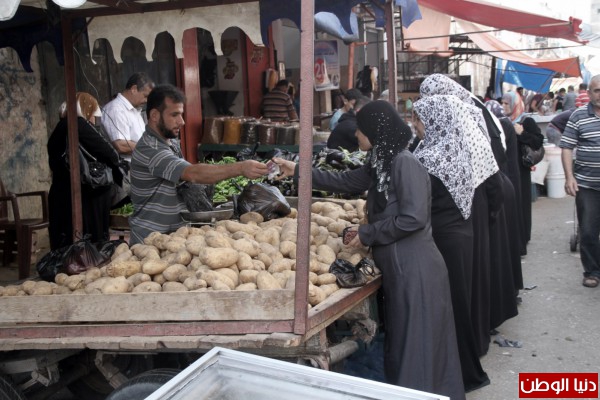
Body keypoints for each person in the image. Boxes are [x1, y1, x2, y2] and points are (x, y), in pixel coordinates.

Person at [274, 101, 465, 400]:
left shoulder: (404, 163)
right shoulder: (381, 160)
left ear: (376, 131)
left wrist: (367, 233)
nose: (356, 136)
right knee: (407, 343)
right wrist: (298, 171)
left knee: (418, 345)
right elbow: (347, 180)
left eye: (360, 130)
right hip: (401, 268)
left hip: (416, 270)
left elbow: (413, 218)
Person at [412, 94, 492, 392]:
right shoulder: (456, 149)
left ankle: (463, 376)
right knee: (457, 305)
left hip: (445, 240)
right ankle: (462, 373)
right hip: (460, 235)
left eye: (420, 121)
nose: (415, 126)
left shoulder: (429, 158)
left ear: (435, 122)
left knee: (451, 308)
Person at [129, 84, 268, 245]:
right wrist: (241, 167)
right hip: (150, 241)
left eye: (181, 114)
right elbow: (192, 173)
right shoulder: (150, 149)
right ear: (154, 115)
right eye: (174, 115)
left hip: (170, 238)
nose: (181, 122)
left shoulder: (169, 143)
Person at [47, 92, 123, 249]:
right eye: (95, 114)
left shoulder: (59, 128)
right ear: (87, 110)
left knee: (65, 245)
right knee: (87, 248)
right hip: (83, 197)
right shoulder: (78, 124)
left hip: (61, 193)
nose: (95, 120)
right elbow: (110, 153)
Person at [560, 74, 600, 288]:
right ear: (589, 93)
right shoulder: (578, 116)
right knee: (588, 230)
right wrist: (569, 177)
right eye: (597, 90)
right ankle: (592, 271)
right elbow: (567, 146)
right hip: (586, 184)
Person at [102, 72, 155, 163]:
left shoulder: (134, 109)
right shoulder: (116, 109)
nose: (146, 100)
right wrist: (150, 149)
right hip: (125, 168)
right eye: (145, 96)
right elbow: (121, 145)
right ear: (134, 89)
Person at [512, 117, 544, 251]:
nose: (505, 107)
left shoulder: (526, 122)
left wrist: (522, 133)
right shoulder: (498, 122)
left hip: (521, 171)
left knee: (523, 203)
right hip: (509, 172)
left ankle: (523, 236)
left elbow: (538, 142)